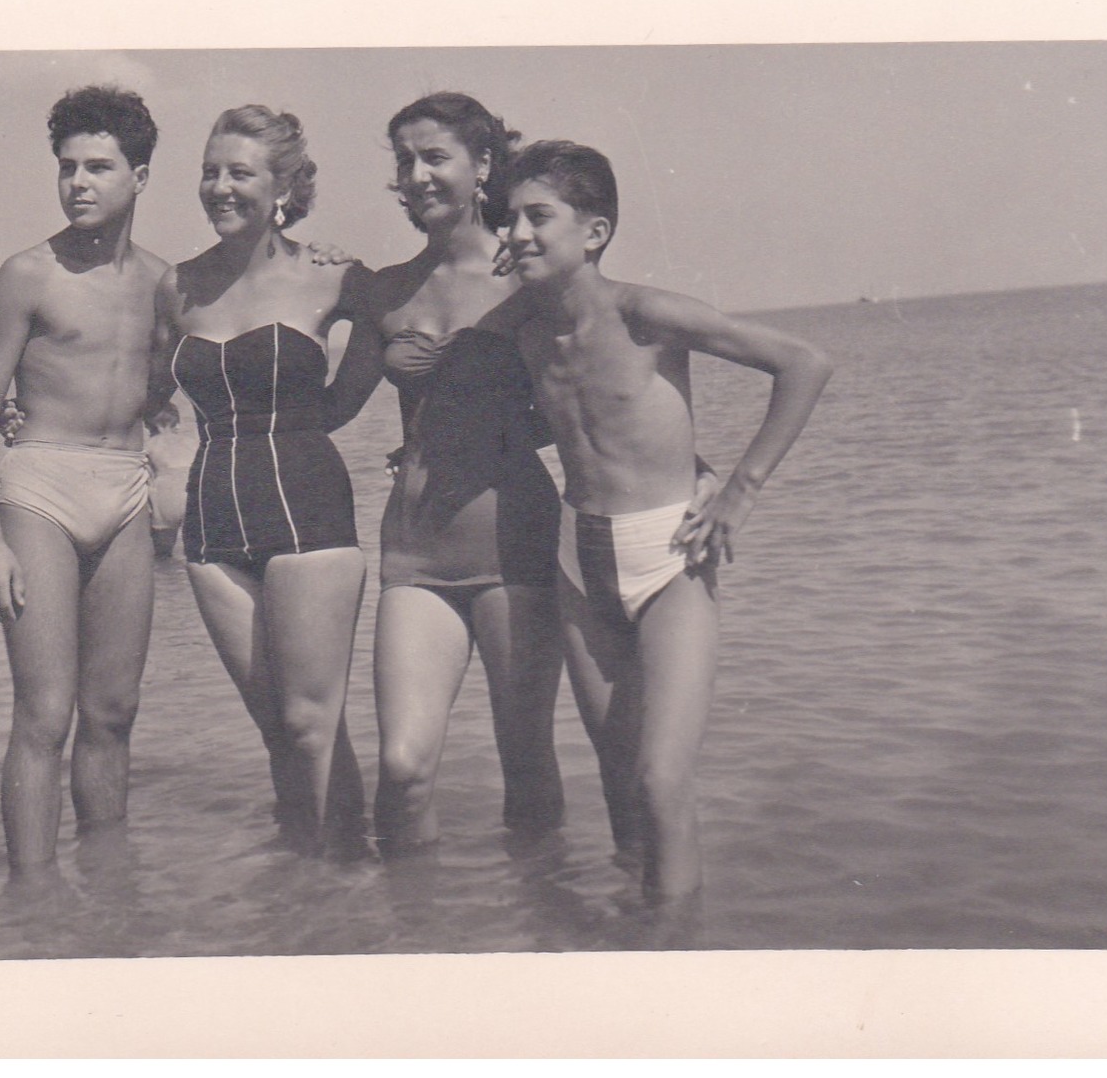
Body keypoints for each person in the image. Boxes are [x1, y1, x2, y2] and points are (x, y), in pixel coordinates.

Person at [502, 140, 833, 904]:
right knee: (621, 792)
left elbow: (804, 362)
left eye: (537, 217)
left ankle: (682, 960)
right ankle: (638, 944)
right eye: (509, 219)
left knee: (661, 780)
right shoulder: (523, 333)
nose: (516, 233)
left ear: (595, 232)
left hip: (671, 560)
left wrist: (739, 487)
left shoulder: (645, 314)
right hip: (579, 558)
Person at [151, 104, 382, 856]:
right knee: (278, 732)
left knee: (314, 727)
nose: (220, 187)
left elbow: (409, 337)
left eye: (239, 173)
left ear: (282, 184)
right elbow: (141, 394)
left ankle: (346, 883)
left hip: (308, 508)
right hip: (212, 527)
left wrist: (322, 418)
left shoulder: (335, 276)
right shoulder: (177, 288)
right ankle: (303, 902)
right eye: (210, 172)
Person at [0, 86, 168, 882]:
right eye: (67, 168)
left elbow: (179, 396)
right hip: (40, 486)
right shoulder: (27, 275)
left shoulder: (162, 283)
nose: (79, 182)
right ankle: (32, 900)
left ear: (139, 176)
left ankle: (110, 888)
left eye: (99, 167)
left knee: (113, 713)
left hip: (125, 489)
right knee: (44, 713)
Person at [354, 93, 566, 854]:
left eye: (434, 156)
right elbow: (324, 407)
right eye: (405, 161)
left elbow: (597, 395)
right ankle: (411, 948)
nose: (416, 176)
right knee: (403, 768)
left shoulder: (531, 277)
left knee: (528, 765)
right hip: (414, 554)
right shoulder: (382, 288)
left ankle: (549, 940)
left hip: (516, 547)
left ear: (483, 167)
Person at [144, 401, 198, 558]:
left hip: (166, 494)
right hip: (192, 494)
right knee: (196, 554)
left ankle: (165, 579)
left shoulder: (150, 445)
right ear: (178, 424)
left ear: (148, 426)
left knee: (162, 553)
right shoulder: (192, 442)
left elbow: (146, 475)